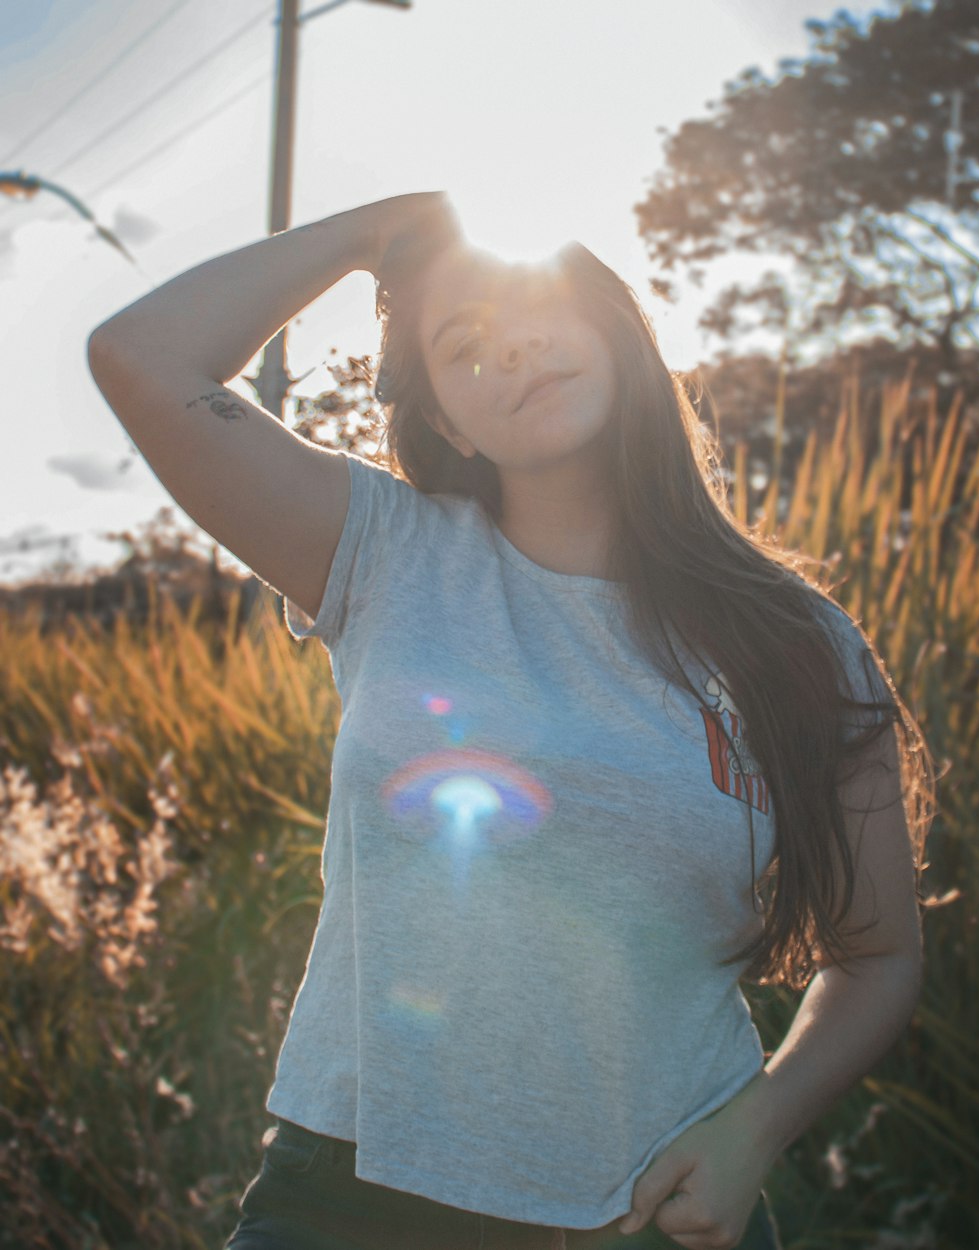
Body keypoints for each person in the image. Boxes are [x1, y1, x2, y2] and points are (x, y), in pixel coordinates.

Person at [87, 192, 934, 1250]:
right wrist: (372, 235)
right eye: (464, 342)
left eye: (540, 306)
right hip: (355, 1197)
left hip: (657, 1205)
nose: (515, 342)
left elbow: (877, 951)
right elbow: (138, 356)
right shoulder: (386, 552)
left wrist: (754, 1128)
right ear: (445, 418)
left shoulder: (798, 637)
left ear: (617, 332)